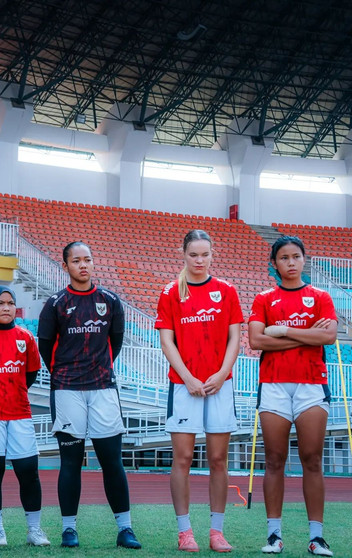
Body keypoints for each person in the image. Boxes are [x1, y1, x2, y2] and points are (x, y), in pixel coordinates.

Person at [37, 241, 141, 550]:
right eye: (77, 261)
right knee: (70, 462)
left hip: (102, 389)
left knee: (112, 462)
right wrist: (66, 373)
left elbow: (116, 342)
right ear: (66, 266)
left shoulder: (109, 301)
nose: (83, 265)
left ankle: (125, 529)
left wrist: (98, 369)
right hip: (67, 389)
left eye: (88, 260)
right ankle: (69, 529)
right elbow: (46, 348)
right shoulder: (55, 303)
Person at [155, 229, 243, 553]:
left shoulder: (227, 290)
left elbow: (236, 338)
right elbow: (167, 341)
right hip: (183, 386)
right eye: (194, 254)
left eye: (205, 254)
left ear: (212, 254)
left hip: (221, 385)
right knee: (183, 459)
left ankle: (216, 532)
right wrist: (189, 377)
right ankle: (184, 533)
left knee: (219, 459)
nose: (199, 260)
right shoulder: (170, 292)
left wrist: (221, 374)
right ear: (184, 254)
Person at [249, 236, 337, 557]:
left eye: (296, 257)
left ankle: (317, 538)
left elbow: (328, 335)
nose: (290, 262)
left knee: (312, 459)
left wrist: (283, 330)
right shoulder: (263, 298)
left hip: (312, 384)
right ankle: (274, 536)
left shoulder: (321, 296)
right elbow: (257, 341)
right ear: (274, 264)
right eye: (283, 257)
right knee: (274, 460)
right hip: (273, 383)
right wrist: (306, 335)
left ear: (304, 260)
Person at [0, 286, 50, 547]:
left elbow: (30, 374)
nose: (6, 308)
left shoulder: (25, 337)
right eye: (1, 303)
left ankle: (34, 530)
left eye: (10, 303)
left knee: (28, 471)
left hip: (20, 413)